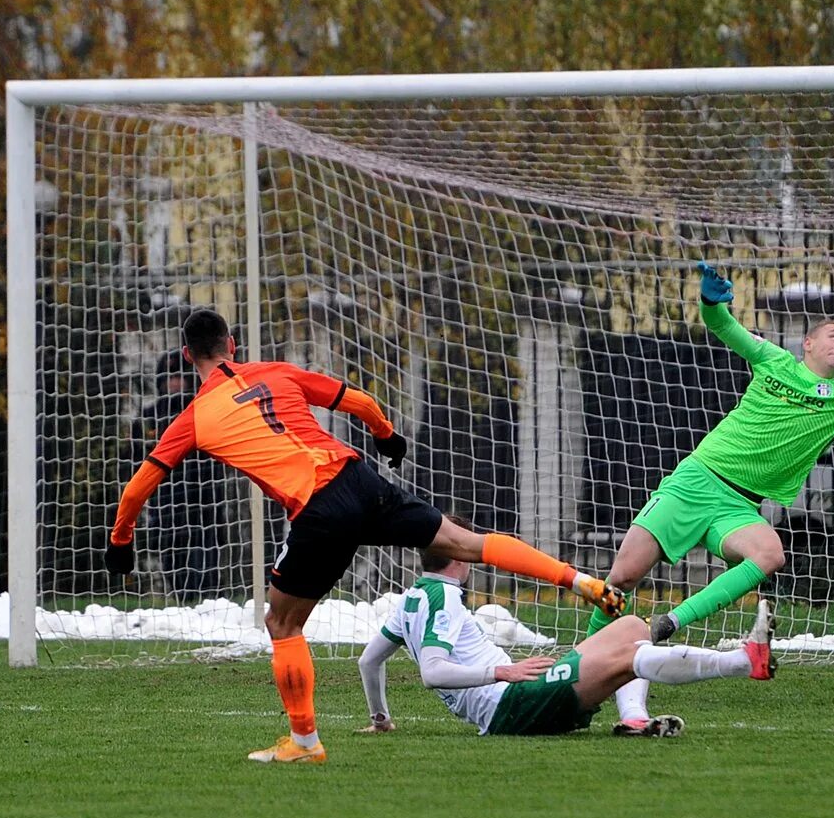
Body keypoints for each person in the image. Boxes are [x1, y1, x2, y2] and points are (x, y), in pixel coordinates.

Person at [107, 308, 624, 765]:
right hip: (357, 476)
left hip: (317, 507)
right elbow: (356, 398)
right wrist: (386, 435)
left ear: (185, 355)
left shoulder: (193, 417)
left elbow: (136, 490)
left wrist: (120, 543)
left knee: (282, 624)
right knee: (464, 542)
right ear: (233, 346)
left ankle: (304, 742)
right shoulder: (277, 372)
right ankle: (579, 580)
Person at [585, 260, 834, 733]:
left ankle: (669, 624)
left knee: (769, 554)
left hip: (738, 505)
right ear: (807, 344)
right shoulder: (774, 361)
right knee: (622, 577)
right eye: (833, 336)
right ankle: (582, 666)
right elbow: (723, 326)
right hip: (695, 481)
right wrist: (710, 300)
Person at [356, 533, 776, 739]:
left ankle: (632, 718)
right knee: (626, 656)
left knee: (629, 628)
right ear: (461, 557)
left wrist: (380, 718)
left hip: (517, 697)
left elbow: (368, 661)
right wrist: (501, 671)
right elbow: (432, 672)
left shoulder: (409, 599)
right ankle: (742, 661)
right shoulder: (445, 599)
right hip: (510, 705)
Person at [133, 351, 227, 603]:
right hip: (166, 494)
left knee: (203, 543)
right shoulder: (150, 415)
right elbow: (137, 452)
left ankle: (206, 596)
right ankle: (180, 596)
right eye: (170, 377)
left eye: (179, 377)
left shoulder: (205, 409)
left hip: (203, 493)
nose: (175, 383)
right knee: (171, 544)